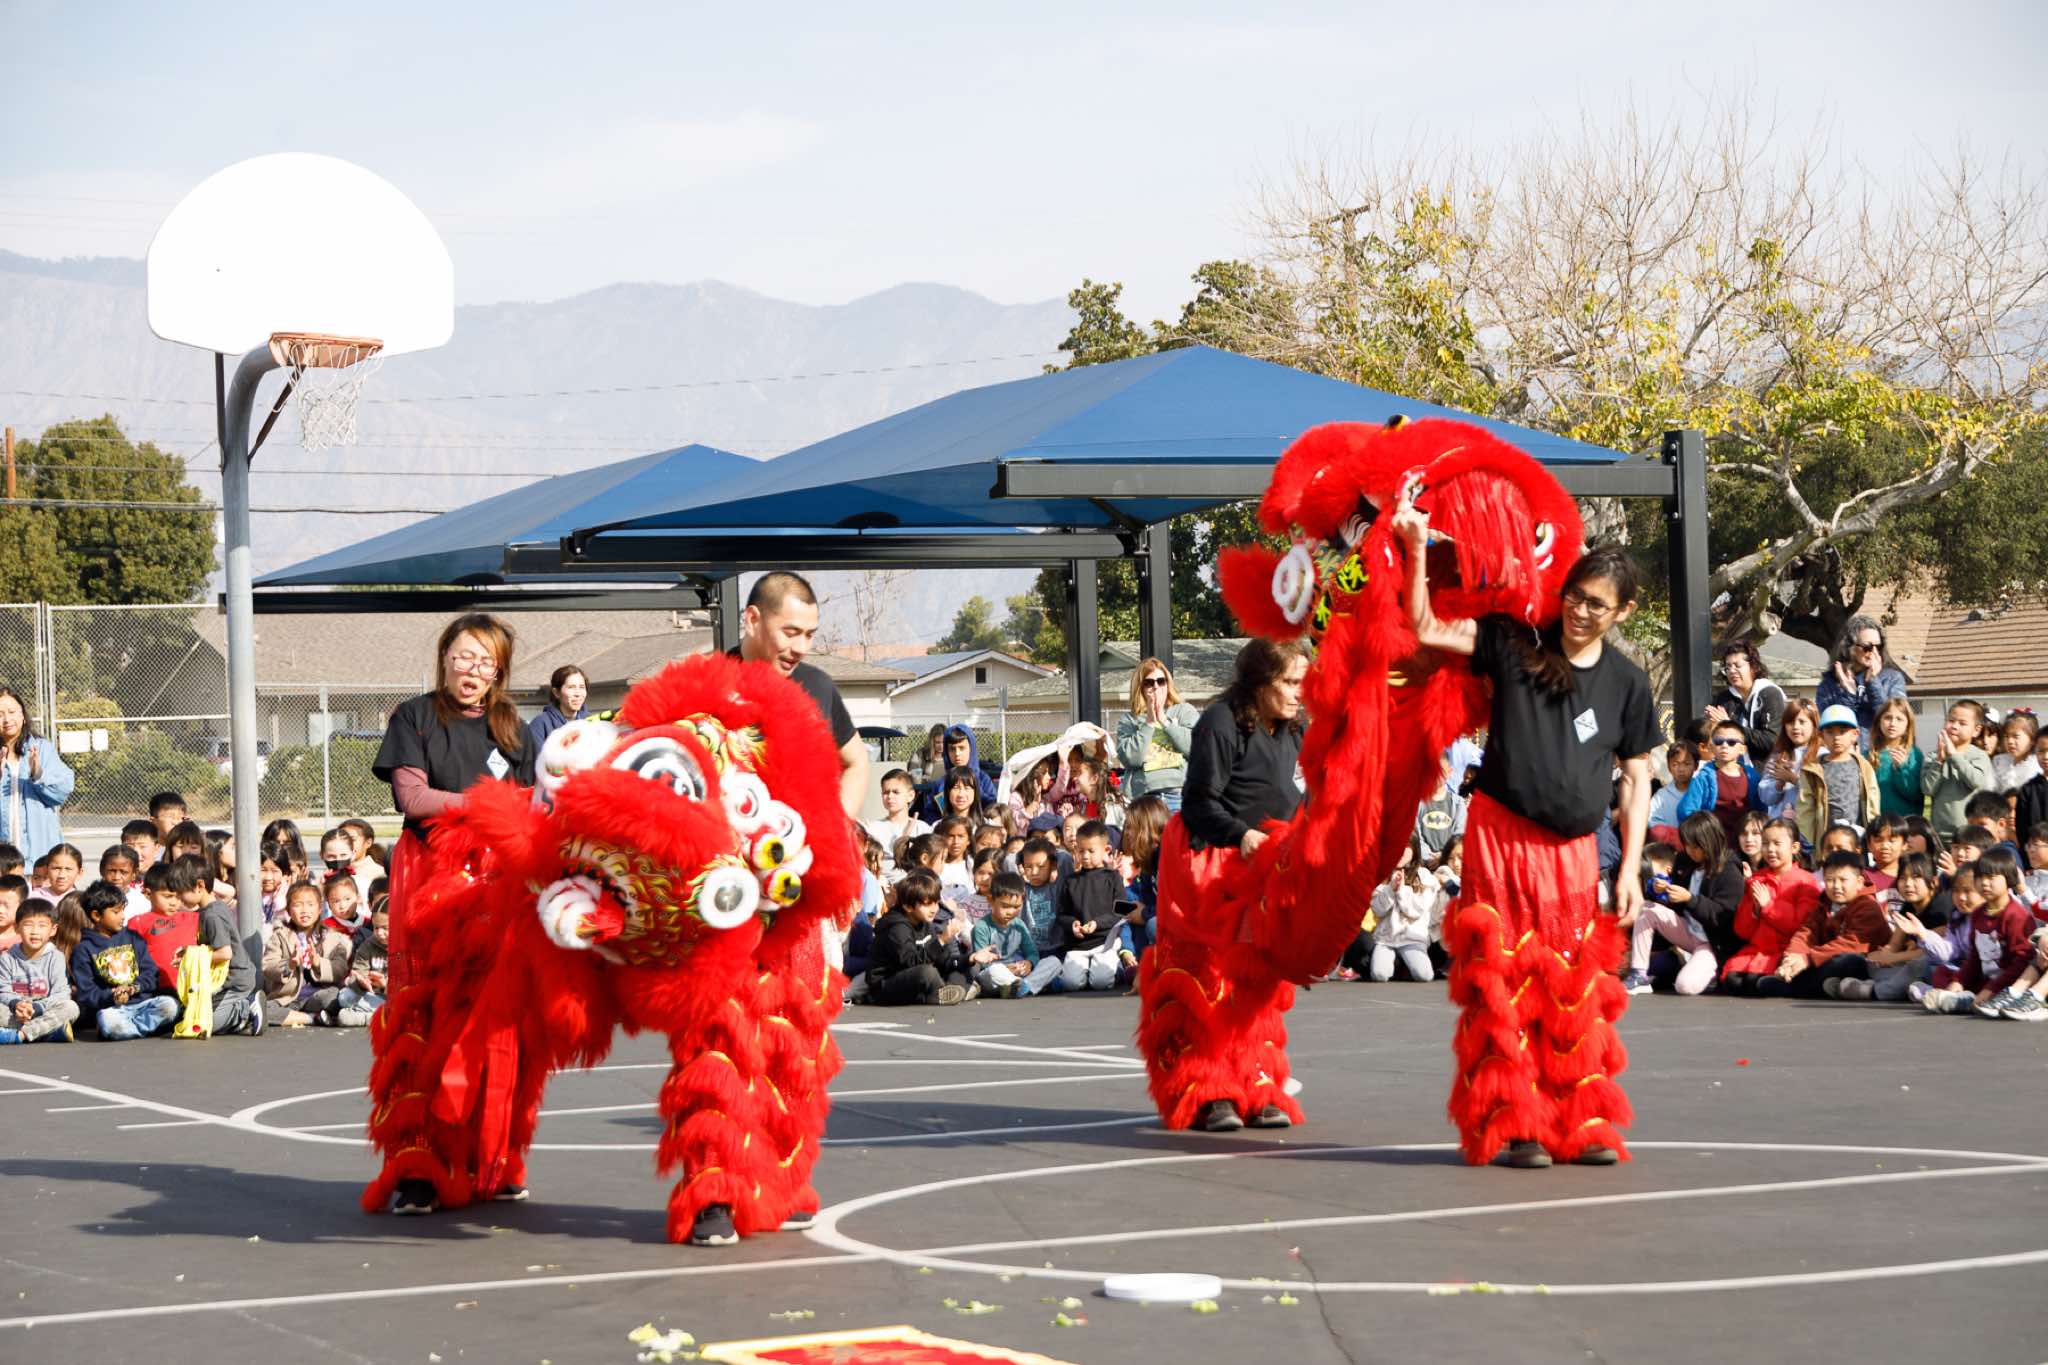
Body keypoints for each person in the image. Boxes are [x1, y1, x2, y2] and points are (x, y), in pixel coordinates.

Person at [1397, 492, 1657, 1168]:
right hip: (1499, 836)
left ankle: (1578, 1119)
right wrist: (1417, 546)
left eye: (1597, 604)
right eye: (1575, 596)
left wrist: (1630, 868)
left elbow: (1637, 780)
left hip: (1574, 853)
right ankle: (1515, 1123)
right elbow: (1424, 624)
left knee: (1571, 988)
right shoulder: (1513, 640)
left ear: (1623, 612)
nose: (1580, 611)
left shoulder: (1628, 683)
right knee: (1504, 978)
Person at [374, 614, 537, 986]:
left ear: (498, 671)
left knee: (495, 984)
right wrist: (490, 802)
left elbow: (534, 799)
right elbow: (414, 798)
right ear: (445, 656)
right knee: (433, 985)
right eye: (465, 658)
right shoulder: (415, 715)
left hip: (497, 871)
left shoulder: (514, 727)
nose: (474, 671)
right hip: (430, 863)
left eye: (486, 663)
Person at [734, 573, 868, 818]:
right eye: (790, 632)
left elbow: (857, 762)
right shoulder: (704, 684)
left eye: (809, 635)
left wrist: (837, 830)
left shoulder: (818, 686)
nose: (801, 648)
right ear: (753, 620)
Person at [1625, 811, 1743, 997]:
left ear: (1710, 842)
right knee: (1647, 909)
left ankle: (1710, 971)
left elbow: (1723, 915)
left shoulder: (1729, 869)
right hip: (1687, 931)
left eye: (1695, 847)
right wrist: (1661, 890)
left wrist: (1690, 899)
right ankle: (1638, 974)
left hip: (1713, 943)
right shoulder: (1684, 861)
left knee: (1684, 986)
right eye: (1687, 845)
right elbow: (1674, 904)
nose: (1690, 851)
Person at [1757, 850, 1888, 998]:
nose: (1836, 886)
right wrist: (1791, 958)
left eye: (1843, 880)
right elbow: (1806, 933)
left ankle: (1796, 988)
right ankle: (1824, 987)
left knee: (1850, 960)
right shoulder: (1824, 904)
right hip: (1823, 960)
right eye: (1830, 880)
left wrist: (1807, 959)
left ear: (1859, 882)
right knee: (1786, 962)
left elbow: (1851, 944)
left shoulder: (1868, 906)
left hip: (1867, 966)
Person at [1921, 852, 2036, 1014]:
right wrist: (1958, 982)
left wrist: (1991, 989)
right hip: (1985, 978)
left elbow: (2022, 962)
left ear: (2008, 879)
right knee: (1942, 972)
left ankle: (1966, 1000)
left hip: (2010, 981)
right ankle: (1962, 997)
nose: (1985, 883)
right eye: (1980, 877)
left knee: (1990, 990)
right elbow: (1974, 957)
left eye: (1991, 877)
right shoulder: (1978, 914)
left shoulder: (2016, 916)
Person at [70, 880, 179, 1040]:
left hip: (144, 1004)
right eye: (116, 912)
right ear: (96, 915)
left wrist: (133, 988)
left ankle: (127, 1030)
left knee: (170, 1006)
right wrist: (112, 995)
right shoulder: (83, 950)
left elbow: (151, 974)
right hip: (113, 1010)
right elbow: (87, 994)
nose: (123, 916)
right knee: (108, 1021)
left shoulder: (133, 937)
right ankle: (142, 1028)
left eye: (123, 910)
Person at [864, 869, 974, 1005]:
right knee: (927, 972)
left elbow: (942, 961)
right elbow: (910, 963)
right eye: (927, 904)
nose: (934, 909)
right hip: (886, 985)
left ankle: (948, 992)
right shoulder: (897, 928)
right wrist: (941, 941)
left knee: (967, 967)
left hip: (918, 980)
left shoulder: (925, 922)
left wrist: (969, 959)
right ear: (908, 907)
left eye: (936, 903)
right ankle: (946, 993)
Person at [0, 686, 74, 873]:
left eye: (11, 712)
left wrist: (38, 774)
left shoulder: (41, 749)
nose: (7, 719)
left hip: (39, 859)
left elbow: (62, 791)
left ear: (23, 716)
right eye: (0, 714)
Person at [263, 881, 353, 1027]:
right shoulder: (279, 936)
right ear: (288, 910)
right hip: (287, 998)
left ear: (319, 908)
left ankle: (297, 1017)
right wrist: (289, 964)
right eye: (298, 905)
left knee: (334, 996)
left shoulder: (332, 937)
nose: (304, 910)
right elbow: (268, 965)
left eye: (310, 904)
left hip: (317, 996)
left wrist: (318, 963)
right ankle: (312, 1018)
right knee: (264, 1010)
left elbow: (340, 969)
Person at [1114, 658, 1200, 811]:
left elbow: (1197, 748)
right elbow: (1131, 759)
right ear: (1140, 688)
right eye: (1149, 683)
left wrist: (1165, 722)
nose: (1156, 687)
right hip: (1145, 798)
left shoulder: (1183, 711)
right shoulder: (1129, 720)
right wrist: (1149, 723)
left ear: (1168, 684)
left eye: (1161, 681)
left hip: (1180, 794)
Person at [1814, 615, 1909, 743]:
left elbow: (1894, 722)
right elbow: (1832, 727)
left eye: (1878, 647)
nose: (1873, 652)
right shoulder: (1830, 684)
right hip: (1847, 752)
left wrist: (1873, 682)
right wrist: (1849, 696)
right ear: (1850, 647)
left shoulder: (1893, 679)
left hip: (1880, 751)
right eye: (1867, 647)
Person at [1055, 820, 1125, 992]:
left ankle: (1117, 968)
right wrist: (1072, 924)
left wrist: (1097, 923)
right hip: (1078, 946)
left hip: (1106, 942)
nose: (1085, 856)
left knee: (1100, 982)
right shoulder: (1071, 881)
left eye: (1091, 851)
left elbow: (1122, 911)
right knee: (1071, 983)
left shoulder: (1113, 877)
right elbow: (1061, 914)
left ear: (1106, 850)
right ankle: (1089, 970)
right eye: (1081, 851)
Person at [1677, 717, 1763, 848]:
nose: (1724, 746)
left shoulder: (1752, 777)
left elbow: (1761, 812)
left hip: (1746, 844)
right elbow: (1686, 811)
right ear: (1711, 747)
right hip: (1715, 845)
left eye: (1731, 742)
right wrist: (1702, 835)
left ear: (1743, 749)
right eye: (1718, 741)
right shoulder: (1704, 777)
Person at [969, 872, 1060, 997]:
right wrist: (1007, 969)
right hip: (996, 975)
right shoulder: (982, 927)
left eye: (1016, 907)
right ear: (990, 900)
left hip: (1019, 972)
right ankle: (1031, 985)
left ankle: (1023, 986)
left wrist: (1029, 963)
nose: (1011, 912)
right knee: (994, 971)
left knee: (1054, 961)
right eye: (1005, 906)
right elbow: (982, 963)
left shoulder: (1019, 925)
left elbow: (1032, 953)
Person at [1367, 838, 1444, 983]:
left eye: (1406, 846)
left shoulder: (1424, 876)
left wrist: (1401, 890)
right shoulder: (1382, 874)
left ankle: (1405, 964)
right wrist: (1391, 889)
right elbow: (1378, 910)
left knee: (1424, 975)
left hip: (1412, 938)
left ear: (1414, 849)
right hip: (1386, 939)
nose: (1400, 851)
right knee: (1379, 975)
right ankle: (1396, 963)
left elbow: (1417, 910)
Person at [1798, 706, 1878, 843]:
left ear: (1855, 734)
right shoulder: (1813, 770)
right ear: (1821, 735)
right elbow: (1805, 809)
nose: (1836, 738)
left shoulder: (1864, 767)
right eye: (1830, 732)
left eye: (1842, 731)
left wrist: (1872, 837)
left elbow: (1872, 804)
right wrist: (1811, 843)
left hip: (1858, 841)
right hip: (1826, 842)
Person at [0, 899, 75, 1043]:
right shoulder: (7, 957)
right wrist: (16, 1004)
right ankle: (48, 1032)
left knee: (71, 1007)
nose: (35, 932)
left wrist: (36, 1007)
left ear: (53, 930)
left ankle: (19, 1036)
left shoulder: (56, 957)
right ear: (17, 928)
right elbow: (3, 991)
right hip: (16, 1012)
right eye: (28, 925)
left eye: (42, 925)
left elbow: (61, 993)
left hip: (44, 1010)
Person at [1920, 701, 1995, 842]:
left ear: (1976, 730)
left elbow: (1976, 782)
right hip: (1939, 834)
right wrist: (1939, 761)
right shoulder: (1933, 756)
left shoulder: (1979, 756)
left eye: (1962, 723)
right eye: (1951, 721)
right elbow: (1927, 789)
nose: (1954, 726)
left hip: (1970, 834)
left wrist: (1954, 756)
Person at [1704, 640, 1786, 767]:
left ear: (1753, 667)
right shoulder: (1723, 699)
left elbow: (1771, 740)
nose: (1732, 671)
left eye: (1737, 665)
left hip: (1765, 771)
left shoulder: (1770, 694)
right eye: (1728, 667)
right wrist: (1709, 727)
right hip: (1727, 769)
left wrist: (1731, 726)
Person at [1756, 699, 1821, 824]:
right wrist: (1779, 783)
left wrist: (1793, 779)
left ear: (1814, 725)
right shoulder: (1778, 756)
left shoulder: (1821, 755)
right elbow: (1765, 798)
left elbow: (1821, 793)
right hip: (1780, 827)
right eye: (1790, 722)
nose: (1796, 727)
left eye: (1802, 722)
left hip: (1808, 827)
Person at [862, 769, 930, 877]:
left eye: (896, 792)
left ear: (911, 795)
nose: (890, 796)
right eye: (886, 792)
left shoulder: (923, 829)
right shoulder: (874, 829)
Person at [332, 902, 390, 1027]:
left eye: (385, 928)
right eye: (376, 928)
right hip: (371, 996)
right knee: (344, 996)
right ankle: (378, 1017)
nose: (380, 933)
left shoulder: (406, 947)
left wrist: (385, 985)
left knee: (399, 1009)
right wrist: (361, 982)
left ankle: (364, 1018)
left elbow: (410, 986)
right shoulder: (368, 945)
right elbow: (358, 971)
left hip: (393, 999)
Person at [1871, 698, 1925, 819]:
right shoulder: (1869, 755)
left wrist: (1901, 768)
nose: (1892, 723)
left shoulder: (1914, 755)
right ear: (1879, 722)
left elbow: (1914, 794)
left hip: (1906, 823)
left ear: (1908, 726)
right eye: (1887, 718)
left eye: (1899, 719)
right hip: (1877, 823)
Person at [528, 665, 589, 750]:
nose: (578, 694)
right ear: (556, 692)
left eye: (582, 687)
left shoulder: (591, 722)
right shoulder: (540, 725)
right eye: (571, 687)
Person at [1993, 710, 2042, 794]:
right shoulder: (1999, 761)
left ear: (2032, 739)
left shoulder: (2038, 767)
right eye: (2006, 736)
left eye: (2016, 736)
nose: (2010, 741)